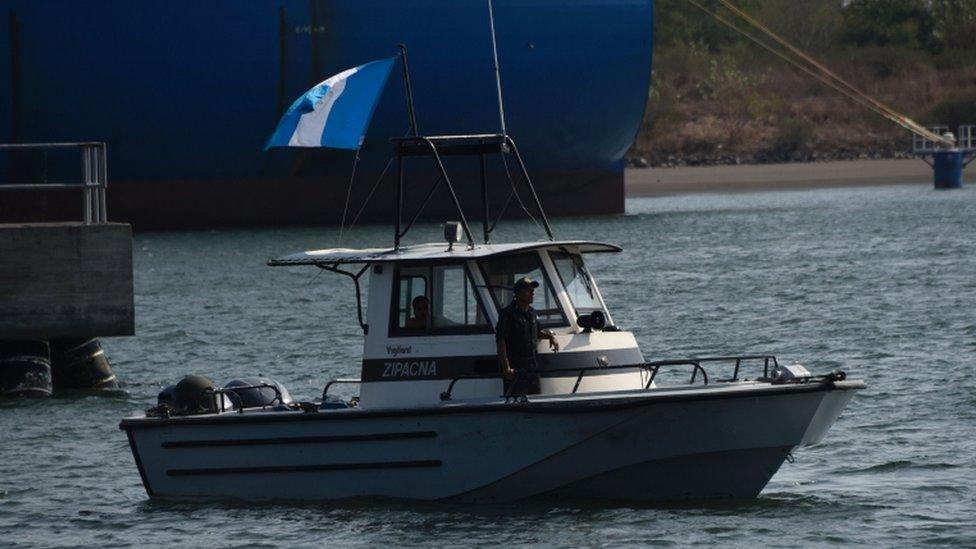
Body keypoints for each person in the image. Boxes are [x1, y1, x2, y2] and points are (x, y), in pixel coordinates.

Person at [495, 276, 559, 396]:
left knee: (535, 399)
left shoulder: (532, 313)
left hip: (533, 366)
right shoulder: (508, 314)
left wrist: (551, 337)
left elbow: (537, 332)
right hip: (516, 367)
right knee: (515, 400)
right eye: (528, 290)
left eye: (532, 290)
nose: (532, 293)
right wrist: (506, 368)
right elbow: (500, 340)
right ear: (518, 293)